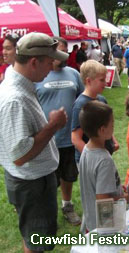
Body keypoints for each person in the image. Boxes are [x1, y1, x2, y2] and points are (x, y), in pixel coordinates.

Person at [0, 32, 68, 252]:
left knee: (32, 235)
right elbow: (20, 156)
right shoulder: (15, 98)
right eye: (49, 62)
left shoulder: (19, 82)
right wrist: (52, 126)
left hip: (33, 181)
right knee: (37, 241)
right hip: (32, 184)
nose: (52, 67)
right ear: (33, 62)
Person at [35, 36, 84, 226]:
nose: (64, 55)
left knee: (68, 174)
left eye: (66, 51)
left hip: (69, 137)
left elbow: (82, 99)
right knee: (47, 178)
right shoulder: (40, 76)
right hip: (46, 139)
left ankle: (67, 205)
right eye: (60, 51)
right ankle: (48, 210)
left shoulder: (73, 74)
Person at [79, 100, 129, 232]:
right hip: (105, 226)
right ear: (102, 130)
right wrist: (125, 197)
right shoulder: (104, 160)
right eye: (112, 124)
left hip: (91, 223)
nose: (114, 127)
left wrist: (117, 188)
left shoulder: (86, 150)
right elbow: (103, 200)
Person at [71, 60, 119, 165]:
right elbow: (75, 138)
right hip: (90, 160)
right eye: (102, 80)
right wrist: (92, 157)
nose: (105, 83)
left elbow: (107, 125)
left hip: (103, 154)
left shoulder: (101, 99)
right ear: (89, 81)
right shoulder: (80, 105)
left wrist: (113, 141)